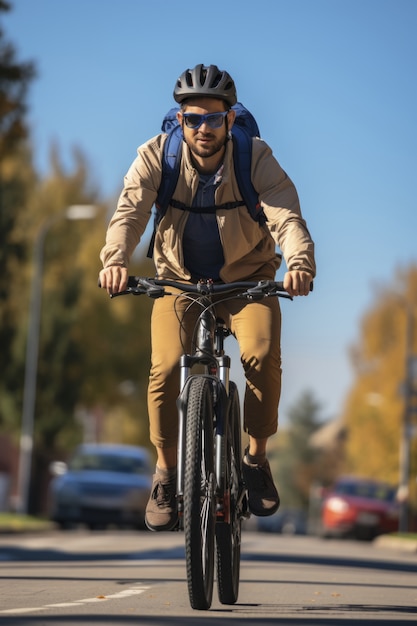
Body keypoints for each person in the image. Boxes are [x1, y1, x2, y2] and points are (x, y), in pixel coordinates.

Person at [99, 64, 316, 531]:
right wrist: (115, 259)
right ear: (180, 120)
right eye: (193, 119)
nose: (203, 128)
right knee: (163, 365)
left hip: (247, 281)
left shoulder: (254, 157)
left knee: (259, 354)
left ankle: (256, 458)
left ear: (230, 120)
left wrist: (298, 264)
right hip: (178, 281)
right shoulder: (157, 156)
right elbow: (129, 212)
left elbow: (287, 217)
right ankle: (165, 469)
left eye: (213, 119)